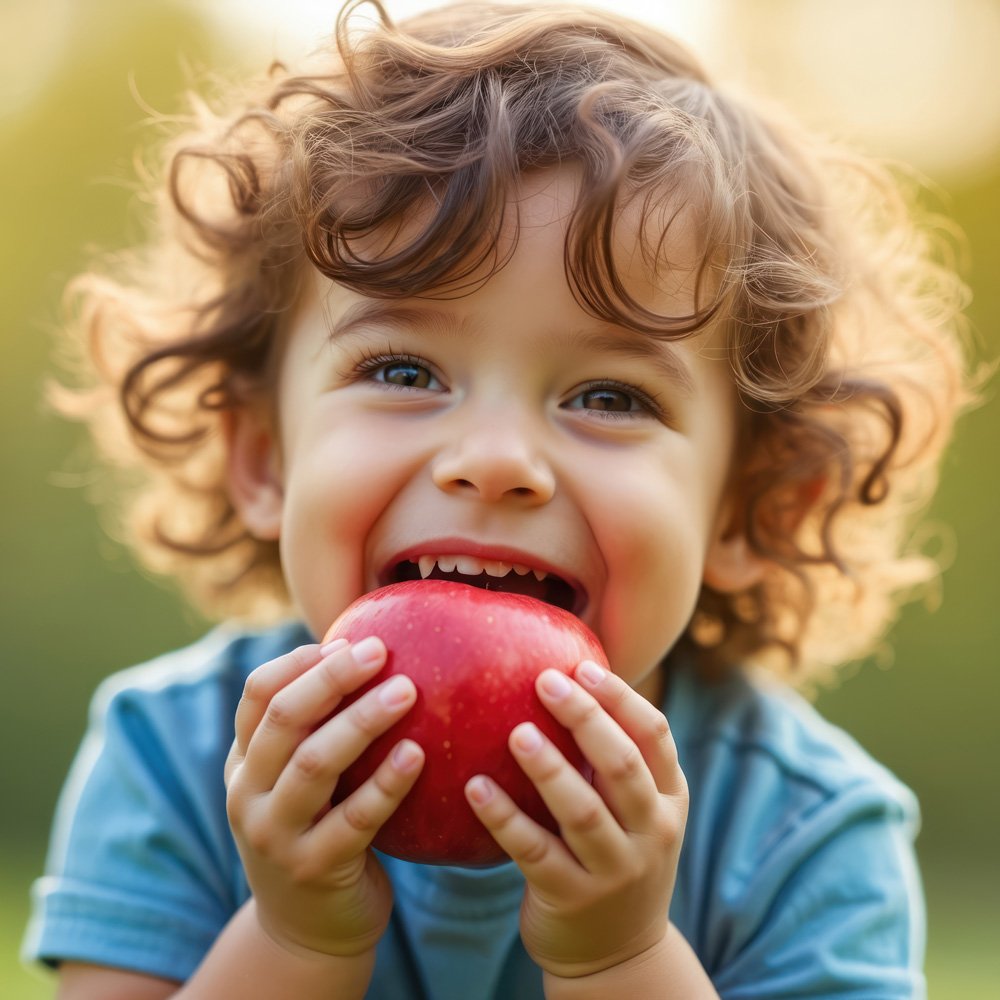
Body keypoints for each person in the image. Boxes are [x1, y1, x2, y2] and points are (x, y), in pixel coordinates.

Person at [23, 1, 976, 997]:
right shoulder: (173, 757)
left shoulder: (799, 831)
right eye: (401, 369)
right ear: (263, 454)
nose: (493, 460)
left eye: (609, 395)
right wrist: (296, 938)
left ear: (748, 509)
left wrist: (619, 956)